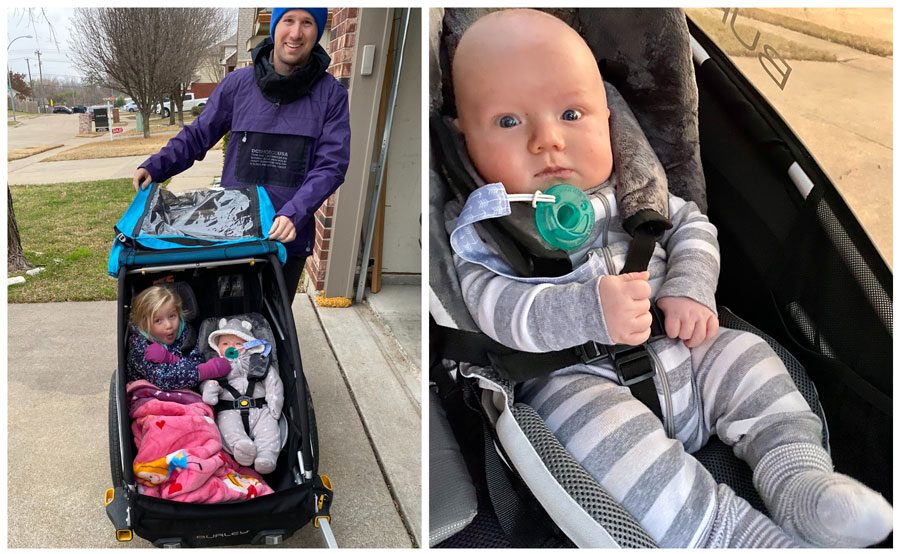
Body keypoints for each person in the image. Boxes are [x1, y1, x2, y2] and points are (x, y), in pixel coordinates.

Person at [446, 9, 892, 548]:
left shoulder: (637, 193)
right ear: (462, 135)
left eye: (571, 113)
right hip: (579, 379)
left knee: (747, 358)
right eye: (509, 122)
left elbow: (695, 229)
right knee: (605, 442)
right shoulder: (485, 227)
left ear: (607, 119)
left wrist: (689, 286)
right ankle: (731, 534)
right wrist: (587, 311)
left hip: (685, 350)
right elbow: (492, 307)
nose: (548, 141)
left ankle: (800, 482)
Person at [133, 8, 351, 300]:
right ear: (275, 26)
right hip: (233, 235)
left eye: (307, 23)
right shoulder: (238, 85)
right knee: (225, 322)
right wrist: (157, 166)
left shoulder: (331, 95)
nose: (296, 33)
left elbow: (331, 165)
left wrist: (294, 212)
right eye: (288, 20)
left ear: (318, 31)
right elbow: (198, 134)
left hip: (286, 238)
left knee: (274, 328)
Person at [200, 317, 284, 474]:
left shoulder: (258, 362)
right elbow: (206, 383)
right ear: (217, 347)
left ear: (248, 345)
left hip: (261, 409)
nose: (232, 346)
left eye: (238, 343)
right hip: (229, 410)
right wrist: (211, 389)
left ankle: (266, 456)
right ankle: (241, 446)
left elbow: (274, 383)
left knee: (270, 430)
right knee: (228, 427)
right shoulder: (215, 366)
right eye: (225, 344)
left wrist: (274, 405)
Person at [127, 285, 231, 390]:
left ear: (179, 314)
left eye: (172, 316)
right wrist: (203, 371)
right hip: (149, 393)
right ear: (144, 324)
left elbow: (197, 360)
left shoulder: (186, 333)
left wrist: (171, 359)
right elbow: (162, 379)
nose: (168, 325)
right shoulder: (140, 346)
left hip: (186, 391)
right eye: (158, 320)